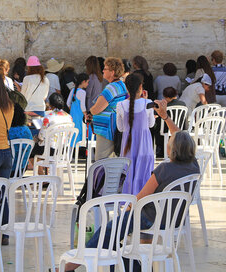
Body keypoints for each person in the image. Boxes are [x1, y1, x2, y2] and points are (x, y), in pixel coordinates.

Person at [63, 100, 199, 271]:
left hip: (150, 218)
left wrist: (126, 209)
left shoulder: (165, 169)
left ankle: (70, 266)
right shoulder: (194, 166)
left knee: (109, 230)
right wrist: (165, 117)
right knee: (114, 235)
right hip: (173, 220)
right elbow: (180, 136)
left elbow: (139, 198)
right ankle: (130, 266)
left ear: (172, 149)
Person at [117, 73, 155, 195]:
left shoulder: (120, 105)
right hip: (144, 145)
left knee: (128, 171)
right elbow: (151, 124)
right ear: (140, 87)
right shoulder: (148, 103)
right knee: (144, 171)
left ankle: (128, 199)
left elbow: (121, 128)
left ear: (126, 88)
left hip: (128, 145)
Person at [87, 57, 128, 160]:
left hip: (107, 129)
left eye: (105, 69)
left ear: (112, 72)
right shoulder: (121, 85)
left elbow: (97, 108)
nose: (103, 71)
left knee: (101, 159)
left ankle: (101, 177)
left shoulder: (112, 87)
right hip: (115, 126)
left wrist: (90, 112)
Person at [67, 73, 89, 145]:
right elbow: (83, 107)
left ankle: (70, 153)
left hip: (73, 115)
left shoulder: (73, 90)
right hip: (80, 116)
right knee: (82, 132)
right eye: (87, 82)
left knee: (73, 134)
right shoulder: (82, 92)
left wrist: (73, 110)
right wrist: (85, 114)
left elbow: (68, 103)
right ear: (83, 82)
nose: (88, 84)